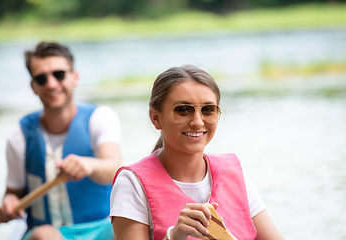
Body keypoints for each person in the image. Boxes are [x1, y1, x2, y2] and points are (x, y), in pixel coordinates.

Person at [110, 65, 284, 240]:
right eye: (183, 110)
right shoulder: (132, 183)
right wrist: (174, 236)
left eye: (208, 109)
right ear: (156, 118)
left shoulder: (234, 174)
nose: (197, 122)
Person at [0, 41, 122, 240]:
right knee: (45, 236)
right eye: (41, 78)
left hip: (102, 228)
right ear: (33, 86)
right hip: (48, 233)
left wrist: (88, 165)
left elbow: (114, 168)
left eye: (59, 74)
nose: (52, 84)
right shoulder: (19, 136)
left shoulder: (101, 117)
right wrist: (9, 203)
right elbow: (13, 192)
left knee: (129, 227)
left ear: (75, 77)